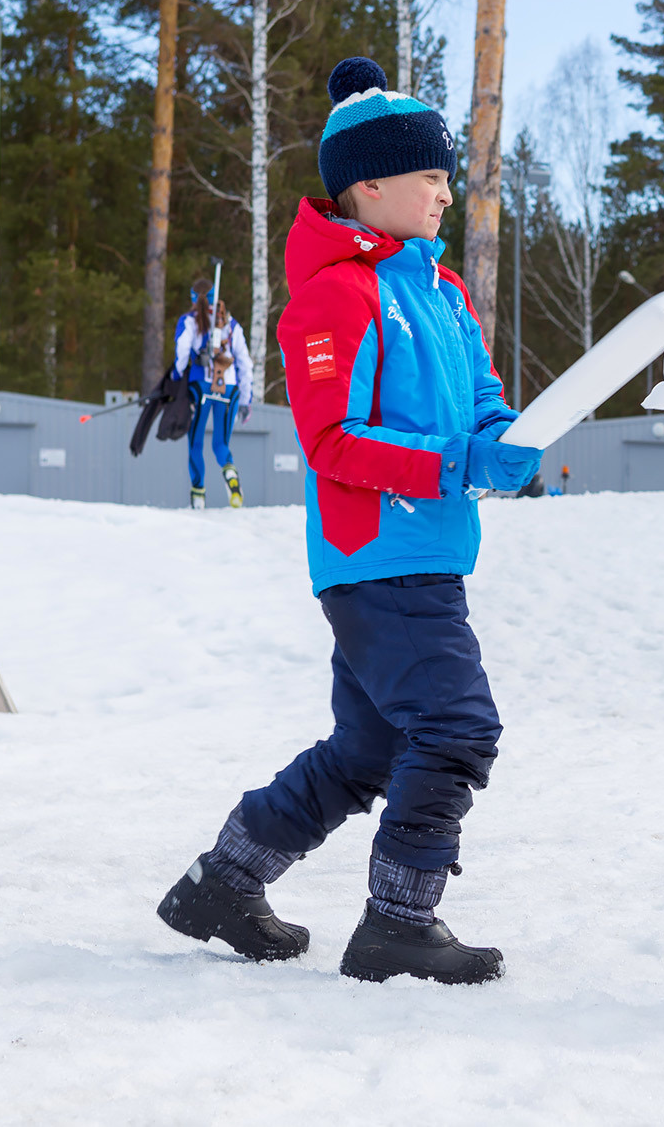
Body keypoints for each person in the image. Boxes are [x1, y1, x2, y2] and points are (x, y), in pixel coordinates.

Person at [157, 56, 541, 985]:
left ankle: (224, 881)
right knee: (456, 725)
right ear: (369, 184)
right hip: (376, 558)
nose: (448, 192)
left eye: (448, 175)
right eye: (431, 176)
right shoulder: (334, 294)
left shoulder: (446, 296)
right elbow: (331, 438)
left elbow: (482, 408)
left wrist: (510, 443)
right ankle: (398, 924)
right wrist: (452, 462)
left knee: (368, 746)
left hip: (432, 552)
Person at [172, 278, 254, 509]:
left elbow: (182, 350)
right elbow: (245, 363)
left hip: (201, 387)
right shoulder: (231, 324)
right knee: (220, 443)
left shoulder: (188, 321)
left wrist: (178, 375)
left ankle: (198, 495)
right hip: (230, 389)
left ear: (192, 298)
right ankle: (231, 476)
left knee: (196, 442)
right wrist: (246, 399)